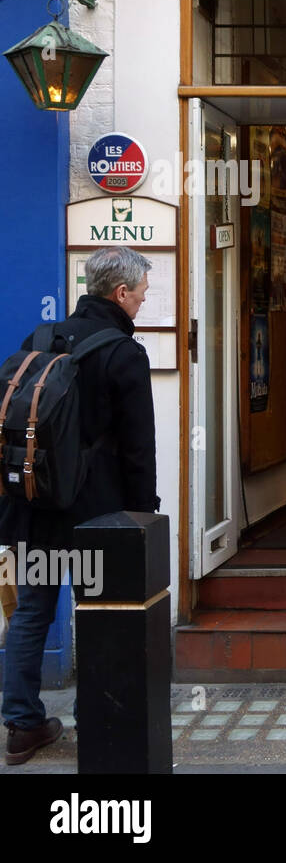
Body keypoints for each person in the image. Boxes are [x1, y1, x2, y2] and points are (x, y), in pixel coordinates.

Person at [1, 246, 159, 766]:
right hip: (99, 518)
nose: (142, 300)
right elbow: (138, 446)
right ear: (120, 293)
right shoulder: (123, 353)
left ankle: (22, 725)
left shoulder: (39, 340)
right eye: (140, 292)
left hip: (34, 507)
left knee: (31, 613)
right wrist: (143, 514)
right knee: (104, 617)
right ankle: (101, 723)